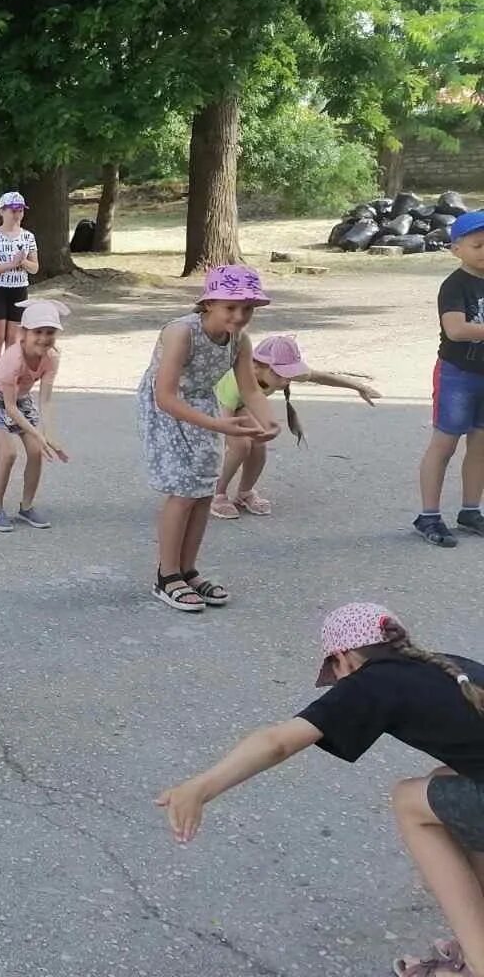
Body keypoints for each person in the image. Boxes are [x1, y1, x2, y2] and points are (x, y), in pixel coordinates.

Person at [158, 603, 484, 977]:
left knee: (409, 800)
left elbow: (279, 742)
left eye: (334, 671)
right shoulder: (447, 667)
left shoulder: (372, 682)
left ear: (342, 657)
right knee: (446, 782)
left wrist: (200, 787)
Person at [136, 265, 278, 613]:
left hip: (202, 404)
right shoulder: (181, 332)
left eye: (247, 309)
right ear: (209, 303)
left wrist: (269, 422)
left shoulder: (239, 340)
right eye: (231, 307)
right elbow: (165, 396)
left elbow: (249, 387)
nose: (240, 316)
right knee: (184, 491)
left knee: (203, 492)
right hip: (167, 408)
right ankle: (166, 576)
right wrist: (221, 426)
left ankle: (188, 569)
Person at [210, 333, 381, 519]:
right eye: (281, 375)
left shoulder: (275, 373)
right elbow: (224, 424)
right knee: (240, 446)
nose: (285, 382)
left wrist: (358, 387)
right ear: (257, 366)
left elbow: (321, 377)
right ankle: (217, 494)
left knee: (258, 445)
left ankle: (245, 493)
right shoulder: (236, 381)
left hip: (241, 404)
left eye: (290, 376)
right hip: (215, 404)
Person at [416, 209, 484, 548]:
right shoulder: (454, 285)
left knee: (481, 445)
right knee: (444, 444)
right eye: (478, 245)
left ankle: (471, 511)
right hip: (457, 375)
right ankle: (428, 515)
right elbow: (456, 330)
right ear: (457, 248)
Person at [0, 298, 70, 532]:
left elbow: (46, 400)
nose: (44, 338)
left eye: (50, 332)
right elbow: (9, 408)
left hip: (21, 400)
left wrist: (49, 434)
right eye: (38, 332)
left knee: (35, 452)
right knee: (8, 452)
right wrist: (38, 435)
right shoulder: (12, 360)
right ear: (24, 333)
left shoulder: (51, 358)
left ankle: (26, 506)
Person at [0, 191, 39, 369]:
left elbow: (35, 267)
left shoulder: (28, 237)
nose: (17, 214)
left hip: (19, 290)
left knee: (13, 338)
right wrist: (11, 264)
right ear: (2, 211)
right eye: (13, 210)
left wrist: (23, 262)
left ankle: (9, 376)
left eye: (20, 210)